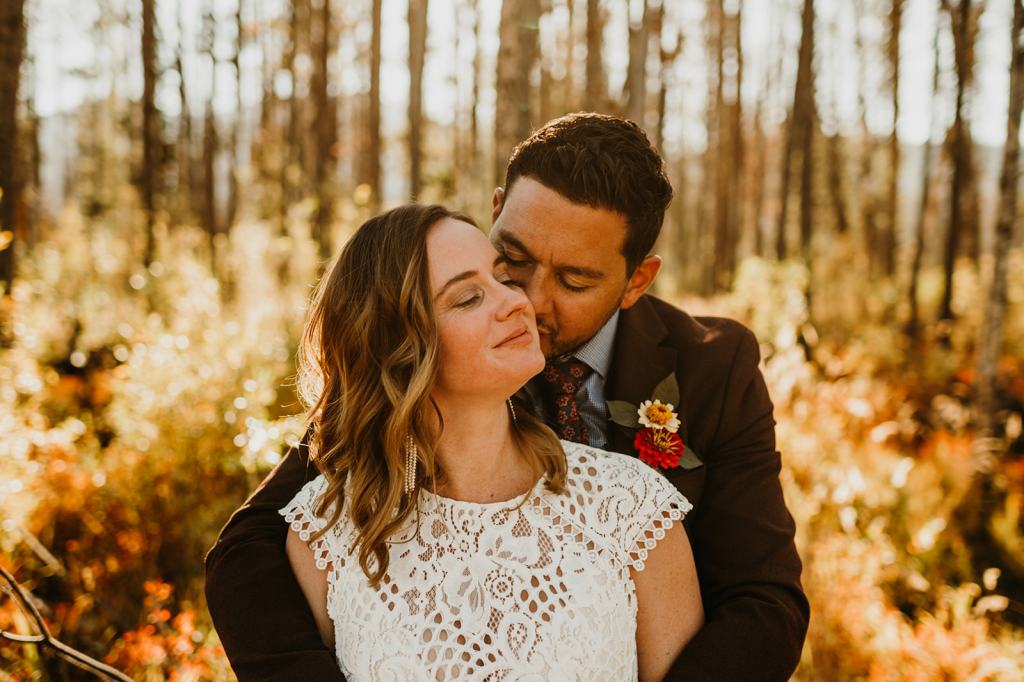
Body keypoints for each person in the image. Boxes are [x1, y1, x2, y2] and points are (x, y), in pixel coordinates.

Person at [205, 112, 809, 681]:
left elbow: (765, 602)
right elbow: (247, 552)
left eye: (575, 280)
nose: (529, 299)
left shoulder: (711, 365)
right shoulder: (437, 350)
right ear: (496, 211)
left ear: (637, 281)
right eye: (512, 260)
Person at [276, 203, 702, 680]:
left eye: (503, 278)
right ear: (397, 348)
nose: (518, 303)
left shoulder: (630, 508)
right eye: (467, 298)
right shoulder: (323, 534)